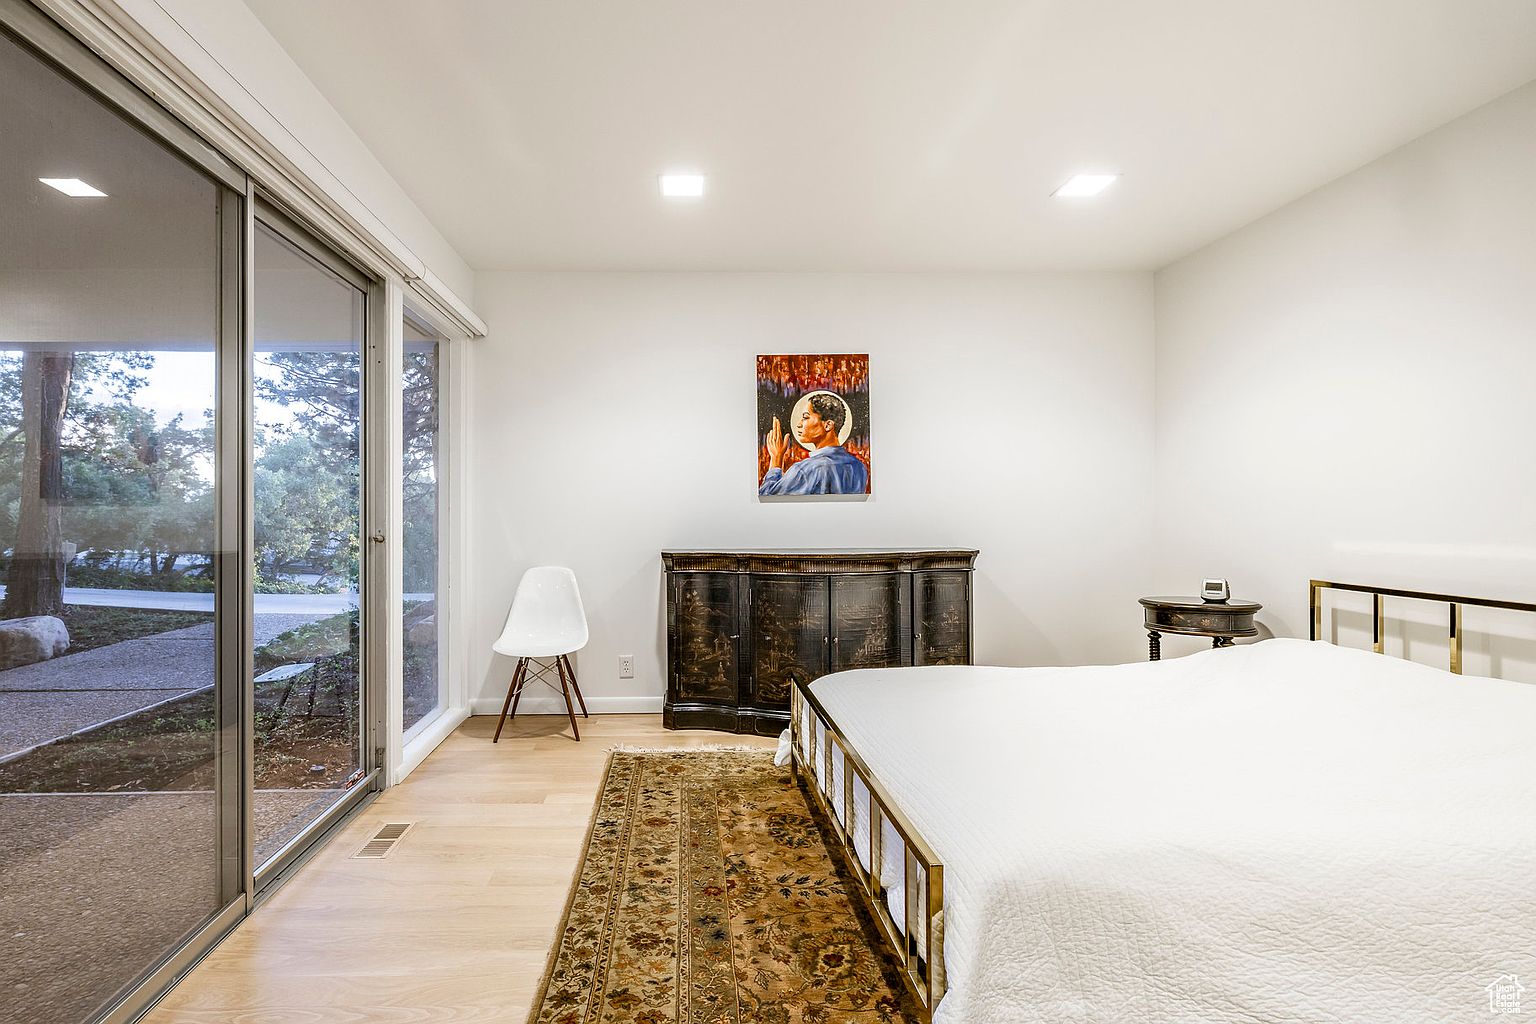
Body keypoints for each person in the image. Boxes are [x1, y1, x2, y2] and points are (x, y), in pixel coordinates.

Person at [759, 392, 868, 495]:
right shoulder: (859, 467)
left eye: (805, 417)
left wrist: (776, 459)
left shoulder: (806, 470)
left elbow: (767, 495)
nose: (799, 424)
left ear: (828, 425)